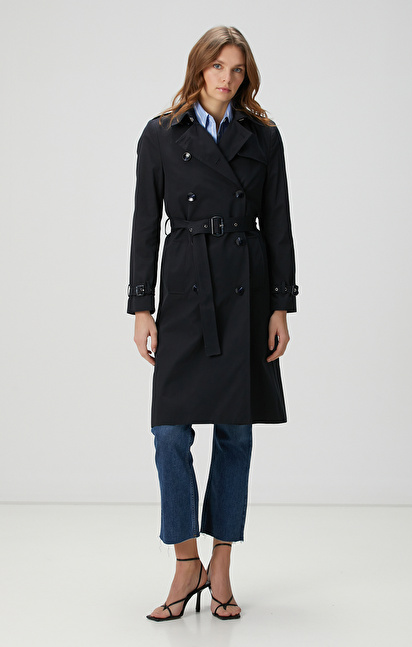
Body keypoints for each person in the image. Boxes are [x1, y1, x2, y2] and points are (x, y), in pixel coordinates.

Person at [127, 25, 299, 621]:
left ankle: (221, 563)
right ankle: (185, 562)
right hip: (185, 288)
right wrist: (141, 307)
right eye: (217, 66)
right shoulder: (161, 134)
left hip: (244, 289)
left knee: (236, 433)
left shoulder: (264, 136)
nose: (226, 78)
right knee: (169, 433)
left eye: (236, 68)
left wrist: (280, 305)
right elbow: (144, 222)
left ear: (246, 75)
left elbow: (279, 222)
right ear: (199, 68)